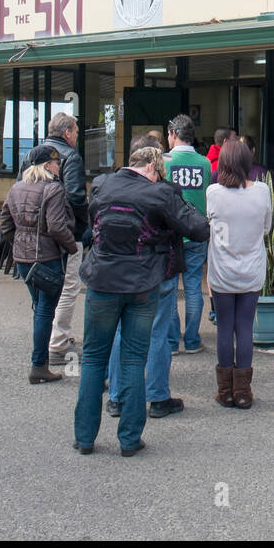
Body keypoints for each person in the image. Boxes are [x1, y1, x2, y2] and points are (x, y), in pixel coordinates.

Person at [74, 143, 209, 456]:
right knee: (135, 357)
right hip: (143, 283)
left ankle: (84, 438)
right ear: (153, 166)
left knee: (94, 358)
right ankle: (130, 440)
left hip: (102, 280)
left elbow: (92, 220)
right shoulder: (160, 193)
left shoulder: (102, 185)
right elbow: (198, 228)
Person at [101, 134, 186, 419]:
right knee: (158, 331)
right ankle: (158, 397)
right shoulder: (166, 191)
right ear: (153, 163)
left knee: (121, 331)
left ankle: (116, 396)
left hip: (118, 269)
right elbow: (187, 224)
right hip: (159, 269)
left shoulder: (109, 186)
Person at [0, 145, 78, 384]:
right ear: (47, 166)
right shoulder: (53, 189)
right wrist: (72, 247)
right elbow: (56, 225)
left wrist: (19, 243)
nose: (59, 166)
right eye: (56, 163)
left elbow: (5, 223)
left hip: (23, 259)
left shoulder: (16, 188)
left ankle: (40, 362)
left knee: (39, 308)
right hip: (46, 258)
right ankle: (38, 364)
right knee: (45, 311)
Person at [205, 139, 273, 408]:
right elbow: (266, 228)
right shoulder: (263, 191)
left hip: (222, 271)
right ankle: (243, 392)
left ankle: (225, 391)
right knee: (244, 327)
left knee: (224, 327)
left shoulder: (213, 193)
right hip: (252, 269)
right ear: (247, 162)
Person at [19, 113, 87, 368]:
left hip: (32, 236)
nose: (77, 137)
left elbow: (19, 190)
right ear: (67, 132)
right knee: (69, 286)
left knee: (42, 290)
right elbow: (77, 197)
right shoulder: (71, 157)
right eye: (77, 132)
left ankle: (50, 338)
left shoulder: (30, 155)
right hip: (64, 234)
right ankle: (58, 342)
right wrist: (83, 229)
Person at [163, 114, 212, 354]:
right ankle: (192, 340)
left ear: (173, 134)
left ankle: (172, 341)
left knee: (170, 286)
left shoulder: (165, 162)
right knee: (193, 285)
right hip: (196, 230)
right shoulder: (204, 163)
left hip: (172, 232)